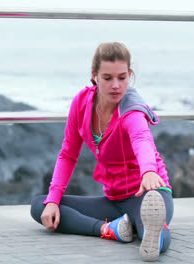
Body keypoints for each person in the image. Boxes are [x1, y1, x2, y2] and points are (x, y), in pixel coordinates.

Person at [30, 42, 174, 262]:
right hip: (114, 200)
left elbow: (141, 138)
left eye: (122, 77)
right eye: (107, 78)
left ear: (130, 75)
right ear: (95, 75)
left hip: (148, 194)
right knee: (42, 206)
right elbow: (68, 154)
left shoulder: (131, 109)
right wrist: (53, 199)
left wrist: (148, 171)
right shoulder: (81, 103)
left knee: (148, 232)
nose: (116, 85)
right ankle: (110, 229)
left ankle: (152, 231)